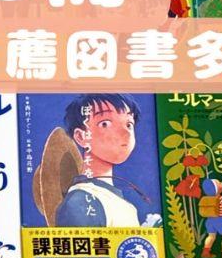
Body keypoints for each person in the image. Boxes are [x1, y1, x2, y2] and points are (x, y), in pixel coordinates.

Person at [53, 94, 160, 228]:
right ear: (81, 136)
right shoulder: (80, 201)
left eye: (129, 124)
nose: (125, 133)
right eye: (105, 124)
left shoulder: (118, 200)